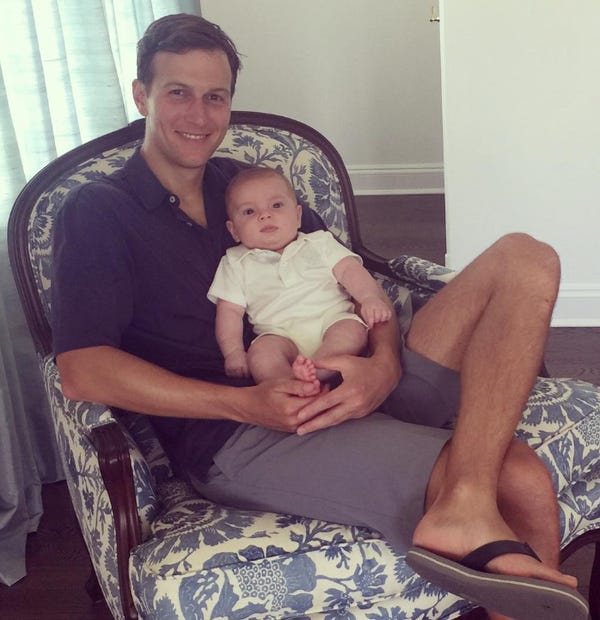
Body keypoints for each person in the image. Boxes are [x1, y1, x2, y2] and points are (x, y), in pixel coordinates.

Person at [50, 13, 588, 620]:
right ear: (141, 95)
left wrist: (383, 365)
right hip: (252, 429)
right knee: (518, 475)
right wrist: (243, 403)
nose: (199, 115)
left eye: (215, 96)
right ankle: (467, 511)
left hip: (351, 370)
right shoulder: (98, 211)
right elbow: (82, 371)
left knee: (526, 257)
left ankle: (462, 504)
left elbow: (351, 277)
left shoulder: (249, 186)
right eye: (178, 92)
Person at [208, 166, 393, 392]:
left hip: (331, 319)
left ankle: (316, 371)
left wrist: (369, 298)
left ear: (297, 216)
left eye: (276, 205)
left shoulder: (319, 243)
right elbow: (229, 311)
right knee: (261, 354)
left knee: (352, 331)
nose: (264, 215)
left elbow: (350, 271)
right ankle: (288, 386)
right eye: (249, 211)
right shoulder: (235, 262)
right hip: (278, 333)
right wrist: (233, 352)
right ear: (234, 230)